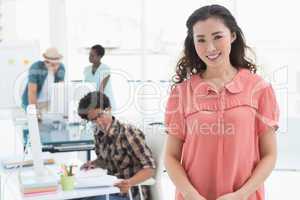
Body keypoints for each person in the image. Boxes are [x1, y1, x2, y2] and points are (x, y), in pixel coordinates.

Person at [164, 5, 279, 200]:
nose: (210, 48)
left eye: (217, 37)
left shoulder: (259, 88)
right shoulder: (181, 93)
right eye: (201, 40)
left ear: (233, 35)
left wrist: (242, 195)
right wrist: (190, 194)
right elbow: (171, 156)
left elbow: (269, 154)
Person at [77, 91, 156, 200]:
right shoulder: (99, 134)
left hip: (130, 194)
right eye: (93, 120)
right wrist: (94, 163)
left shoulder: (128, 133)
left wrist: (129, 182)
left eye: (100, 115)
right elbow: (107, 161)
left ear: (108, 109)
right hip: (110, 190)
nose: (98, 122)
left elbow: (150, 169)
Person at [21, 47, 65, 147]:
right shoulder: (35, 67)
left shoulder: (61, 68)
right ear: (46, 62)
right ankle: (32, 148)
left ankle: (48, 149)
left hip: (49, 102)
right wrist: (34, 112)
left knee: (50, 127)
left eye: (57, 64)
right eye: (53, 64)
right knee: (34, 128)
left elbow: (60, 90)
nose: (56, 67)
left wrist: (61, 110)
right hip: (33, 101)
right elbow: (32, 92)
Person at [84, 44, 116, 111]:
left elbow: (101, 89)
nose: (89, 57)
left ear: (99, 56)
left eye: (92, 55)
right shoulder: (86, 69)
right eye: (89, 55)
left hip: (104, 102)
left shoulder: (105, 69)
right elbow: (86, 87)